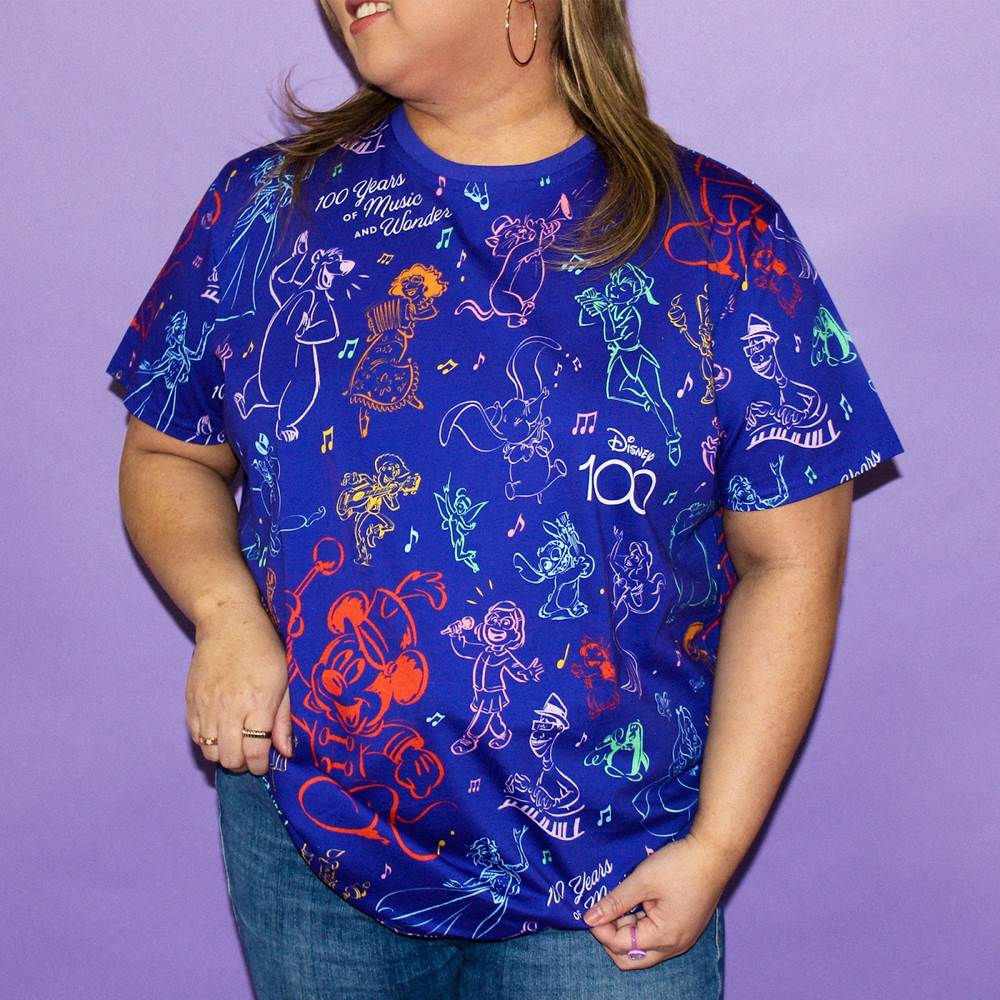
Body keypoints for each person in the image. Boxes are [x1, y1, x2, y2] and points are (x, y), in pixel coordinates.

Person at [103, 1, 905, 997]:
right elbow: (166, 453)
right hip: (312, 836)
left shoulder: (725, 239)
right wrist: (224, 614)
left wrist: (717, 844)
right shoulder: (265, 208)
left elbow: (790, 562)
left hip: (613, 877)